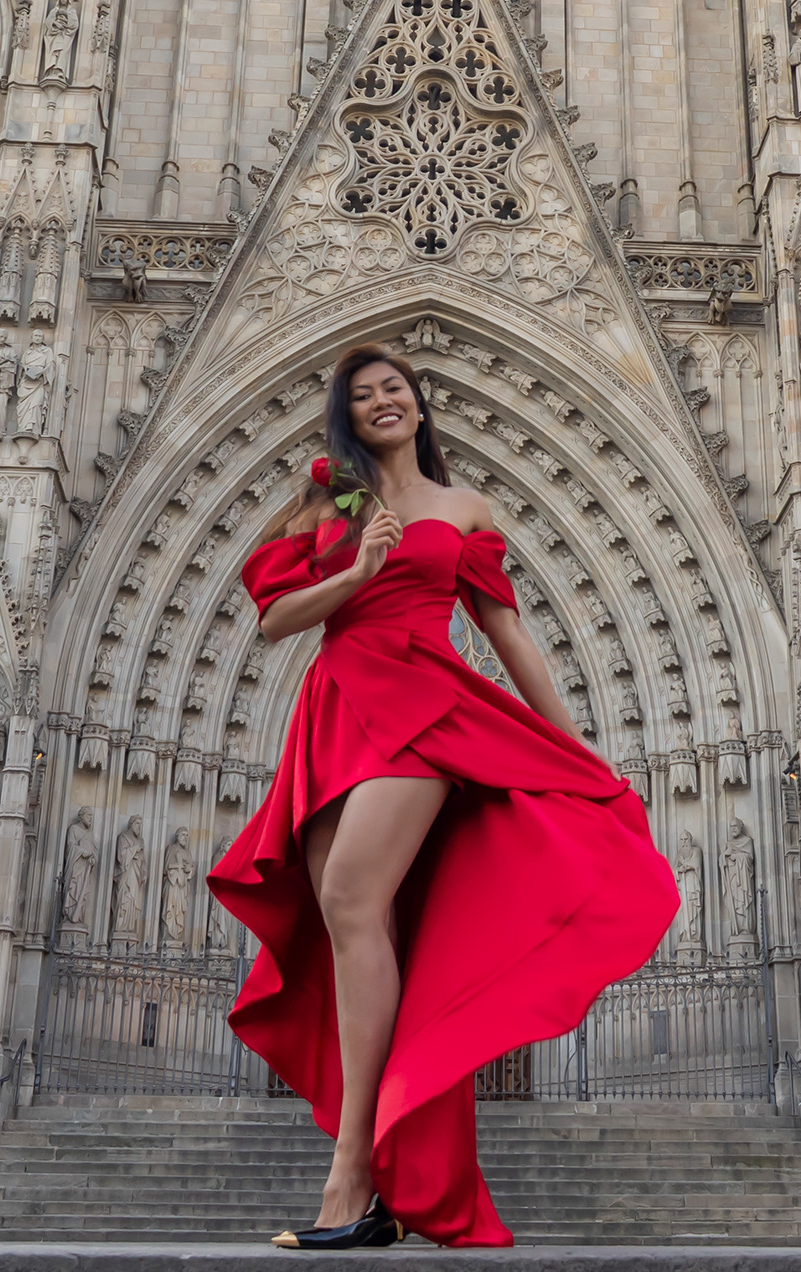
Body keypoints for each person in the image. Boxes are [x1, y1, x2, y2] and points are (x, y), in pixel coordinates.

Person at [209, 343, 677, 1249]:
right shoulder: (326, 503)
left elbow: (507, 633)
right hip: (337, 710)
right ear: (347, 418)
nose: (382, 402)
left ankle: (349, 1176)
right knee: (358, 929)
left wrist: (575, 750)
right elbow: (273, 622)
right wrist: (355, 571)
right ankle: (382, 1177)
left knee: (351, 897)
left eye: (396, 390)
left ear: (419, 408)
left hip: (423, 706)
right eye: (362, 395)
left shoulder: (465, 509)